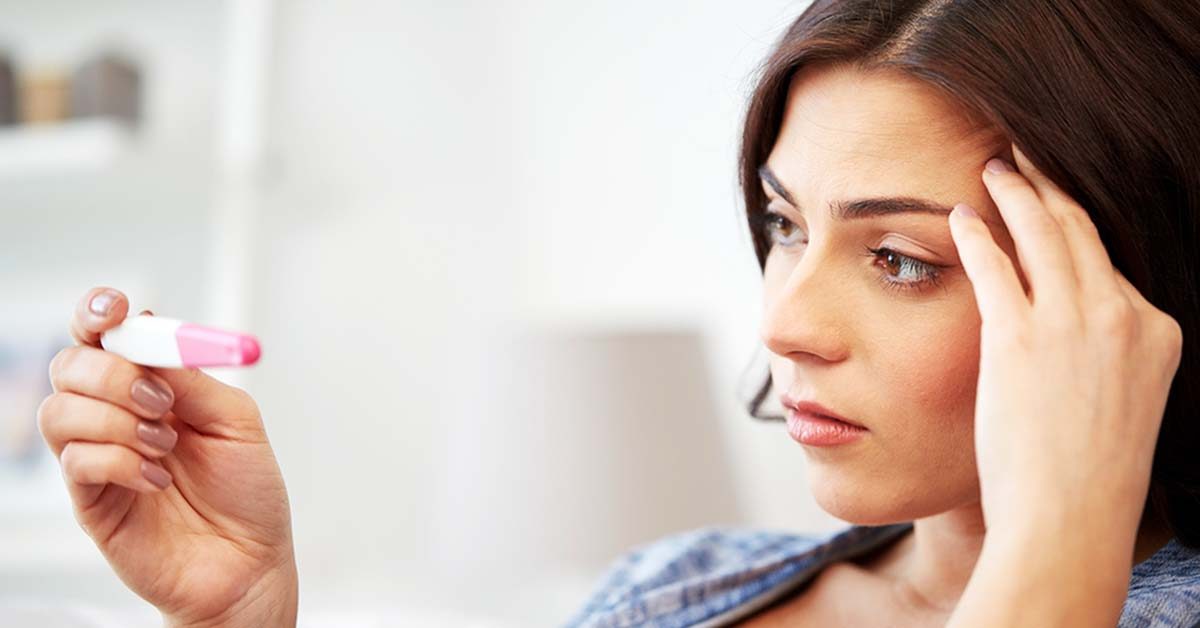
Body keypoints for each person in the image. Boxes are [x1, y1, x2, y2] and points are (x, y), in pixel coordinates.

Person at [36, 1, 1200, 627]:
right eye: (787, 225)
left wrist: (1057, 552)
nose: (784, 321)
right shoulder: (675, 591)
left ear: (1126, 289)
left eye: (898, 259)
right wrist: (243, 617)